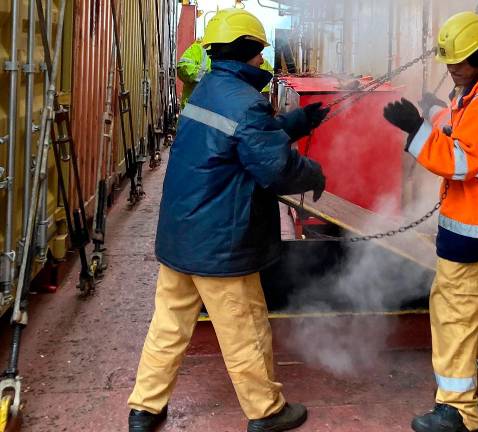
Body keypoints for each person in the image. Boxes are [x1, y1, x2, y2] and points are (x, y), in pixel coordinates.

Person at [127, 9, 329, 432]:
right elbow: (273, 167)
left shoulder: (204, 91)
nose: (262, 61)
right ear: (251, 51)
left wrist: (293, 123)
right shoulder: (248, 102)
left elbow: (236, 142)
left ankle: (144, 409)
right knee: (245, 330)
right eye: (259, 53)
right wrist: (314, 173)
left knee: (168, 327)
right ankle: (266, 411)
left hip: (181, 236)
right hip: (222, 242)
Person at [383, 11, 478, 432]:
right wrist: (433, 116)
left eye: (458, 61)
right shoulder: (476, 93)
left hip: (473, 233)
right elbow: (458, 126)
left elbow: (460, 162)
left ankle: (459, 409)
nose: (451, 68)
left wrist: (417, 131)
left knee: (455, 316)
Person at [178, 39, 273, 110]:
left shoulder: (239, 57)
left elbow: (265, 93)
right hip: (195, 109)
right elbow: (183, 68)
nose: (261, 60)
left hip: (215, 113)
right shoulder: (199, 48)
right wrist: (211, 77)